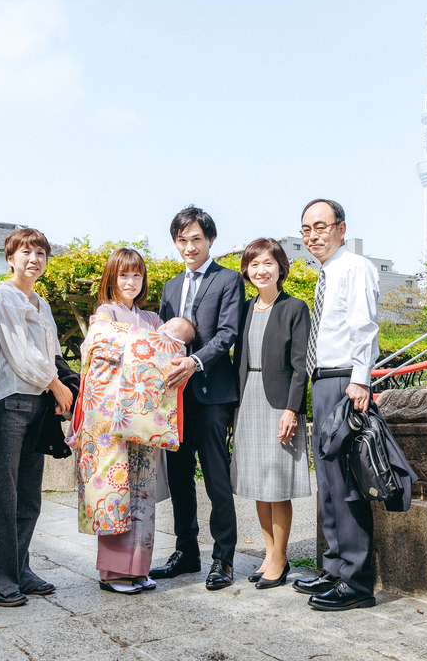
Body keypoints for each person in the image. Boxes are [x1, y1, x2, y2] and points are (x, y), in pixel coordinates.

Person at [79, 248, 194, 594]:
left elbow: (173, 350)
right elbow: (100, 348)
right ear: (112, 279)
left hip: (145, 418)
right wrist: (148, 346)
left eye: (136, 275)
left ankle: (138, 569)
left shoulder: (152, 319)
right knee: (115, 490)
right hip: (112, 418)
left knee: (142, 492)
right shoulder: (105, 313)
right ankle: (113, 573)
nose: (130, 282)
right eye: (123, 275)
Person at [291, 198, 382, 611]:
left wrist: (361, 379)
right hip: (322, 379)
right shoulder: (326, 273)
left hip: (345, 380)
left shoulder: (355, 267)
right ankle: (334, 568)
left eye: (321, 227)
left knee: (346, 483)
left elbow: (364, 325)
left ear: (341, 229)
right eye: (307, 229)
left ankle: (357, 582)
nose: (313, 236)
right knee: (327, 483)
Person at [0, 228, 75, 607]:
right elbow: (20, 353)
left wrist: (59, 388)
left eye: (40, 253)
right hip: (10, 403)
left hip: (36, 406)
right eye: (26, 252)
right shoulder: (5, 296)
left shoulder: (41, 303)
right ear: (10, 258)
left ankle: (20, 569)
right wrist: (56, 385)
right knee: (2, 495)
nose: (34, 259)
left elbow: (50, 353)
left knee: (28, 495)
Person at [151, 206, 245, 590]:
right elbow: (161, 335)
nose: (189, 246)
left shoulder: (229, 280)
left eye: (196, 239)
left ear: (210, 240)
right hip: (175, 397)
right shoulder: (171, 286)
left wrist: (194, 362)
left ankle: (223, 557)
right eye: (182, 240)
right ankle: (186, 551)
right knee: (179, 477)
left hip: (211, 394)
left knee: (215, 478)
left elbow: (227, 335)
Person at [232, 238, 311, 590]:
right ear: (247, 271)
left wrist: (292, 409)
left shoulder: (295, 307)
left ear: (280, 266)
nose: (260, 270)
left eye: (267, 263)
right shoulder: (246, 309)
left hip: (279, 402)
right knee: (258, 485)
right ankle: (268, 553)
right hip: (248, 398)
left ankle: (280, 556)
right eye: (253, 264)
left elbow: (300, 366)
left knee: (278, 485)